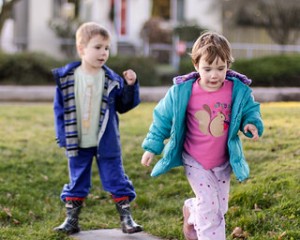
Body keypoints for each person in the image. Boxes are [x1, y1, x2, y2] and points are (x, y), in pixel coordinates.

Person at [141, 31, 264, 240]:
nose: (214, 75)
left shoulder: (237, 90)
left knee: (219, 208)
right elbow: (162, 118)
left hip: (223, 161)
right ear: (196, 66)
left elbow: (248, 111)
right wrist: (152, 148)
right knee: (210, 211)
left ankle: (191, 208)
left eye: (221, 68)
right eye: (208, 69)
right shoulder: (182, 92)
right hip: (195, 160)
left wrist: (251, 123)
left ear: (228, 65)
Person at [52, 22, 143, 235]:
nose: (103, 53)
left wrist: (131, 86)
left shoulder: (112, 79)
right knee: (77, 180)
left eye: (107, 48)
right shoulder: (67, 79)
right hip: (78, 141)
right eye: (98, 47)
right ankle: (71, 220)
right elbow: (59, 110)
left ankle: (127, 219)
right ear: (81, 49)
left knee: (116, 179)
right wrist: (62, 135)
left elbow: (124, 106)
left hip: (106, 142)